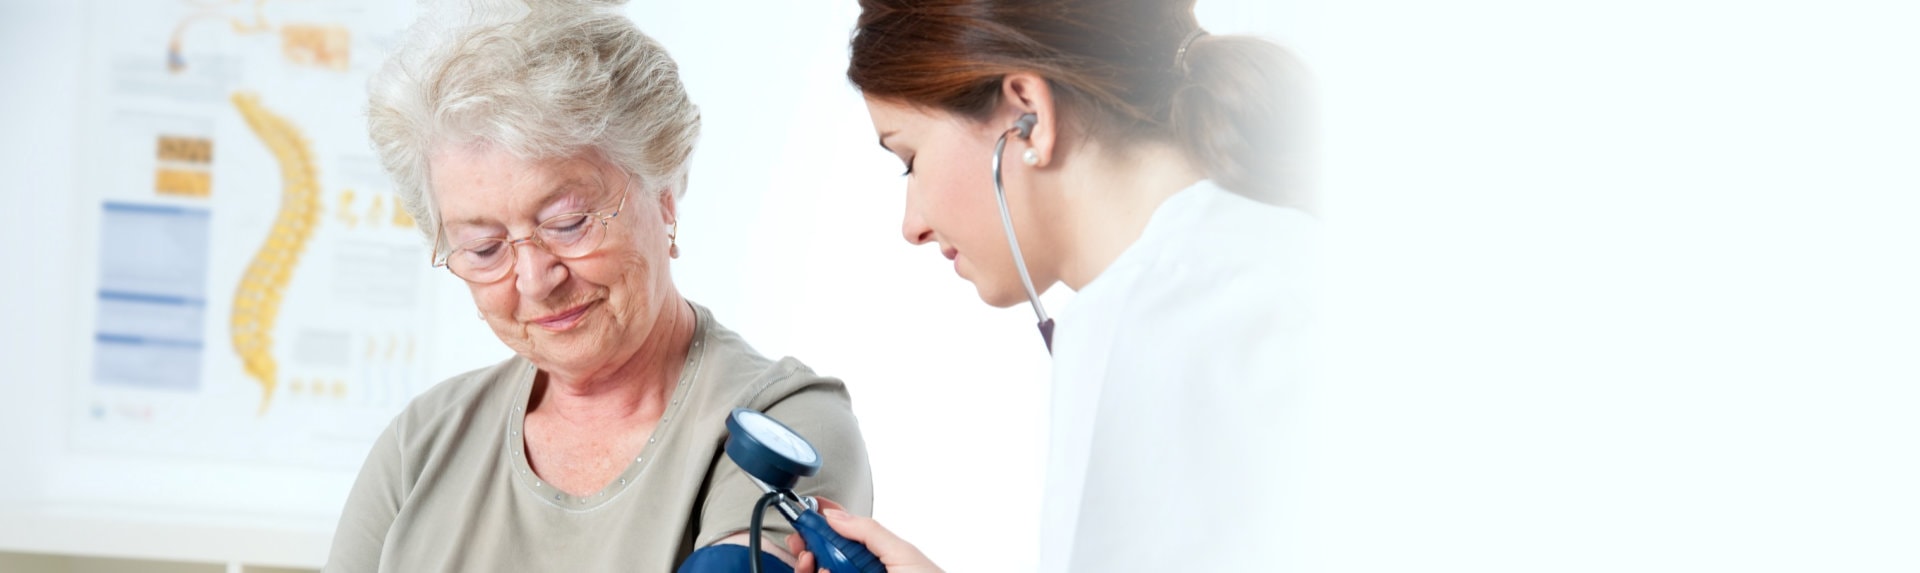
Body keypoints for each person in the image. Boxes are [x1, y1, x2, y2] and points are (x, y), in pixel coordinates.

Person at [325, 3, 872, 571]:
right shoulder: (423, 444)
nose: (535, 281)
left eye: (568, 224)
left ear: (662, 192)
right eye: (485, 249)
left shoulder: (779, 424)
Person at [789, 0, 1317, 571]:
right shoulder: (1279, 249)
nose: (911, 225)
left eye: (908, 159)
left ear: (1028, 114)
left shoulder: (1138, 321)